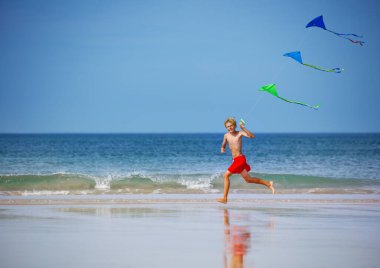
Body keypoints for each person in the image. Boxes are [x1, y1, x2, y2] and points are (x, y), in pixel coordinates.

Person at [218, 117, 274, 204]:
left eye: (231, 126)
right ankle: (268, 184)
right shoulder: (226, 136)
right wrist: (222, 148)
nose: (230, 128)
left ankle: (225, 198)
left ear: (235, 125)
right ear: (226, 127)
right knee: (248, 180)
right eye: (228, 127)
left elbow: (252, 136)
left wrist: (243, 128)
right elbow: (224, 144)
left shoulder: (240, 133)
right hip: (235, 160)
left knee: (226, 175)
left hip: (240, 159)